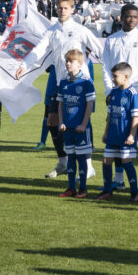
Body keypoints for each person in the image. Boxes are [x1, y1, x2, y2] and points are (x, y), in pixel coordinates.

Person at [16, 0, 102, 181]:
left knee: (81, 123)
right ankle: (63, 162)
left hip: (79, 83)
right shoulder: (52, 31)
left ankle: (88, 166)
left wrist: (114, 71)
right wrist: (24, 65)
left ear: (72, 9)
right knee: (52, 122)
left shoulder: (80, 30)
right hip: (61, 83)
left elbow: (100, 49)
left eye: (66, 8)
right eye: (60, 7)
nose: (62, 10)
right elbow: (39, 49)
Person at [101, 4, 138, 192]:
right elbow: (106, 67)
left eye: (134, 17)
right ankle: (119, 180)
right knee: (118, 136)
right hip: (116, 97)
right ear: (121, 17)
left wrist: (127, 85)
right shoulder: (111, 40)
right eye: (128, 16)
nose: (131, 19)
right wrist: (110, 90)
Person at [95, 62, 138, 202]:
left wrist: (132, 135)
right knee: (106, 160)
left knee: (126, 161)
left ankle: (135, 193)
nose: (112, 79)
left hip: (126, 136)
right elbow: (109, 115)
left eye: (115, 76)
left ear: (126, 76)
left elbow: (135, 117)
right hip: (113, 135)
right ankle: (107, 191)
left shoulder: (132, 93)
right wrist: (105, 132)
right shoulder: (114, 92)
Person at [56, 49, 95, 198]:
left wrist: (84, 124)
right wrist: (61, 122)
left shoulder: (86, 82)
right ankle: (71, 188)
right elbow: (61, 104)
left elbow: (90, 105)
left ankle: (83, 189)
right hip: (68, 128)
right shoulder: (63, 82)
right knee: (70, 158)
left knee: (81, 158)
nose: (67, 63)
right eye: (67, 61)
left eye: (71, 61)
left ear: (80, 64)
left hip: (81, 128)